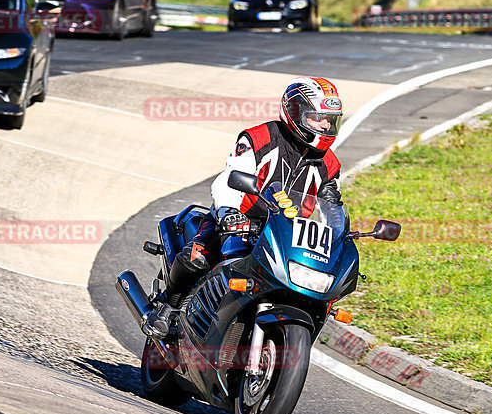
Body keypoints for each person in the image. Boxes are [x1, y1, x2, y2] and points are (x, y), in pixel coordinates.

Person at [143, 76, 345, 340]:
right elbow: (230, 178)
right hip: (241, 219)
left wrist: (340, 234)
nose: (325, 125)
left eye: (330, 120)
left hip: (286, 232)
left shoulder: (329, 163)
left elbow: (331, 205)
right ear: (294, 112)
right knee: (197, 255)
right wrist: (228, 211)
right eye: (317, 117)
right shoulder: (259, 138)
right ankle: (168, 308)